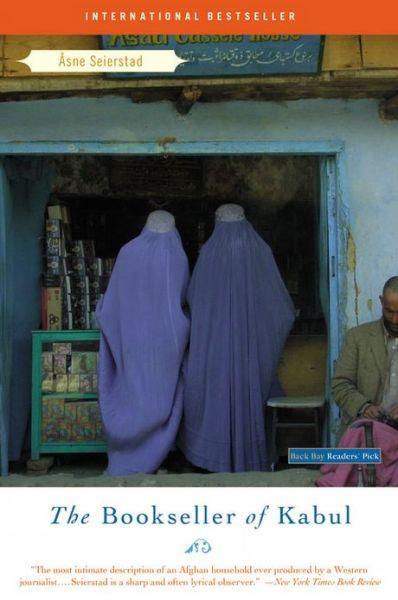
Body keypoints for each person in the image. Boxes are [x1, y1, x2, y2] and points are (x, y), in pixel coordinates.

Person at [177, 203, 295, 473]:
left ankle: (212, 458)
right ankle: (251, 457)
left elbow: (195, 300)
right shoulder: (260, 252)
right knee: (250, 398)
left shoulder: (209, 254)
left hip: (215, 352)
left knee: (214, 398)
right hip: (252, 354)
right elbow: (282, 308)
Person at [96, 210, 190, 475]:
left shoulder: (128, 252)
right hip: (166, 343)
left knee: (134, 391)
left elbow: (114, 301)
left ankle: (128, 452)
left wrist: (102, 311)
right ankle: (156, 453)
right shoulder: (177, 256)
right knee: (161, 397)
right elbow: (181, 300)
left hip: (132, 341)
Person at [332, 276, 398, 436]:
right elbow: (340, 384)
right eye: (389, 311)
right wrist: (364, 407)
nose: (395, 320)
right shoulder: (357, 337)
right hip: (365, 434)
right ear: (381, 302)